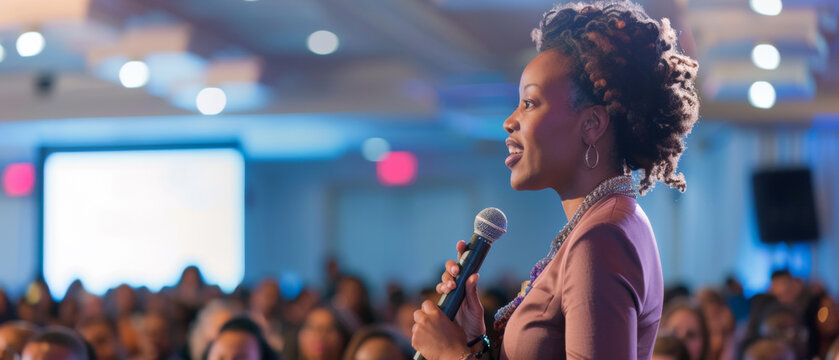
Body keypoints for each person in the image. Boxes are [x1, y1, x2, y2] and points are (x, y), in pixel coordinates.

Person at [410, 0, 699, 359]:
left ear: (592, 124)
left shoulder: (602, 237)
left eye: (529, 103)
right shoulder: (606, 223)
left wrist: (452, 356)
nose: (509, 121)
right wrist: (474, 340)